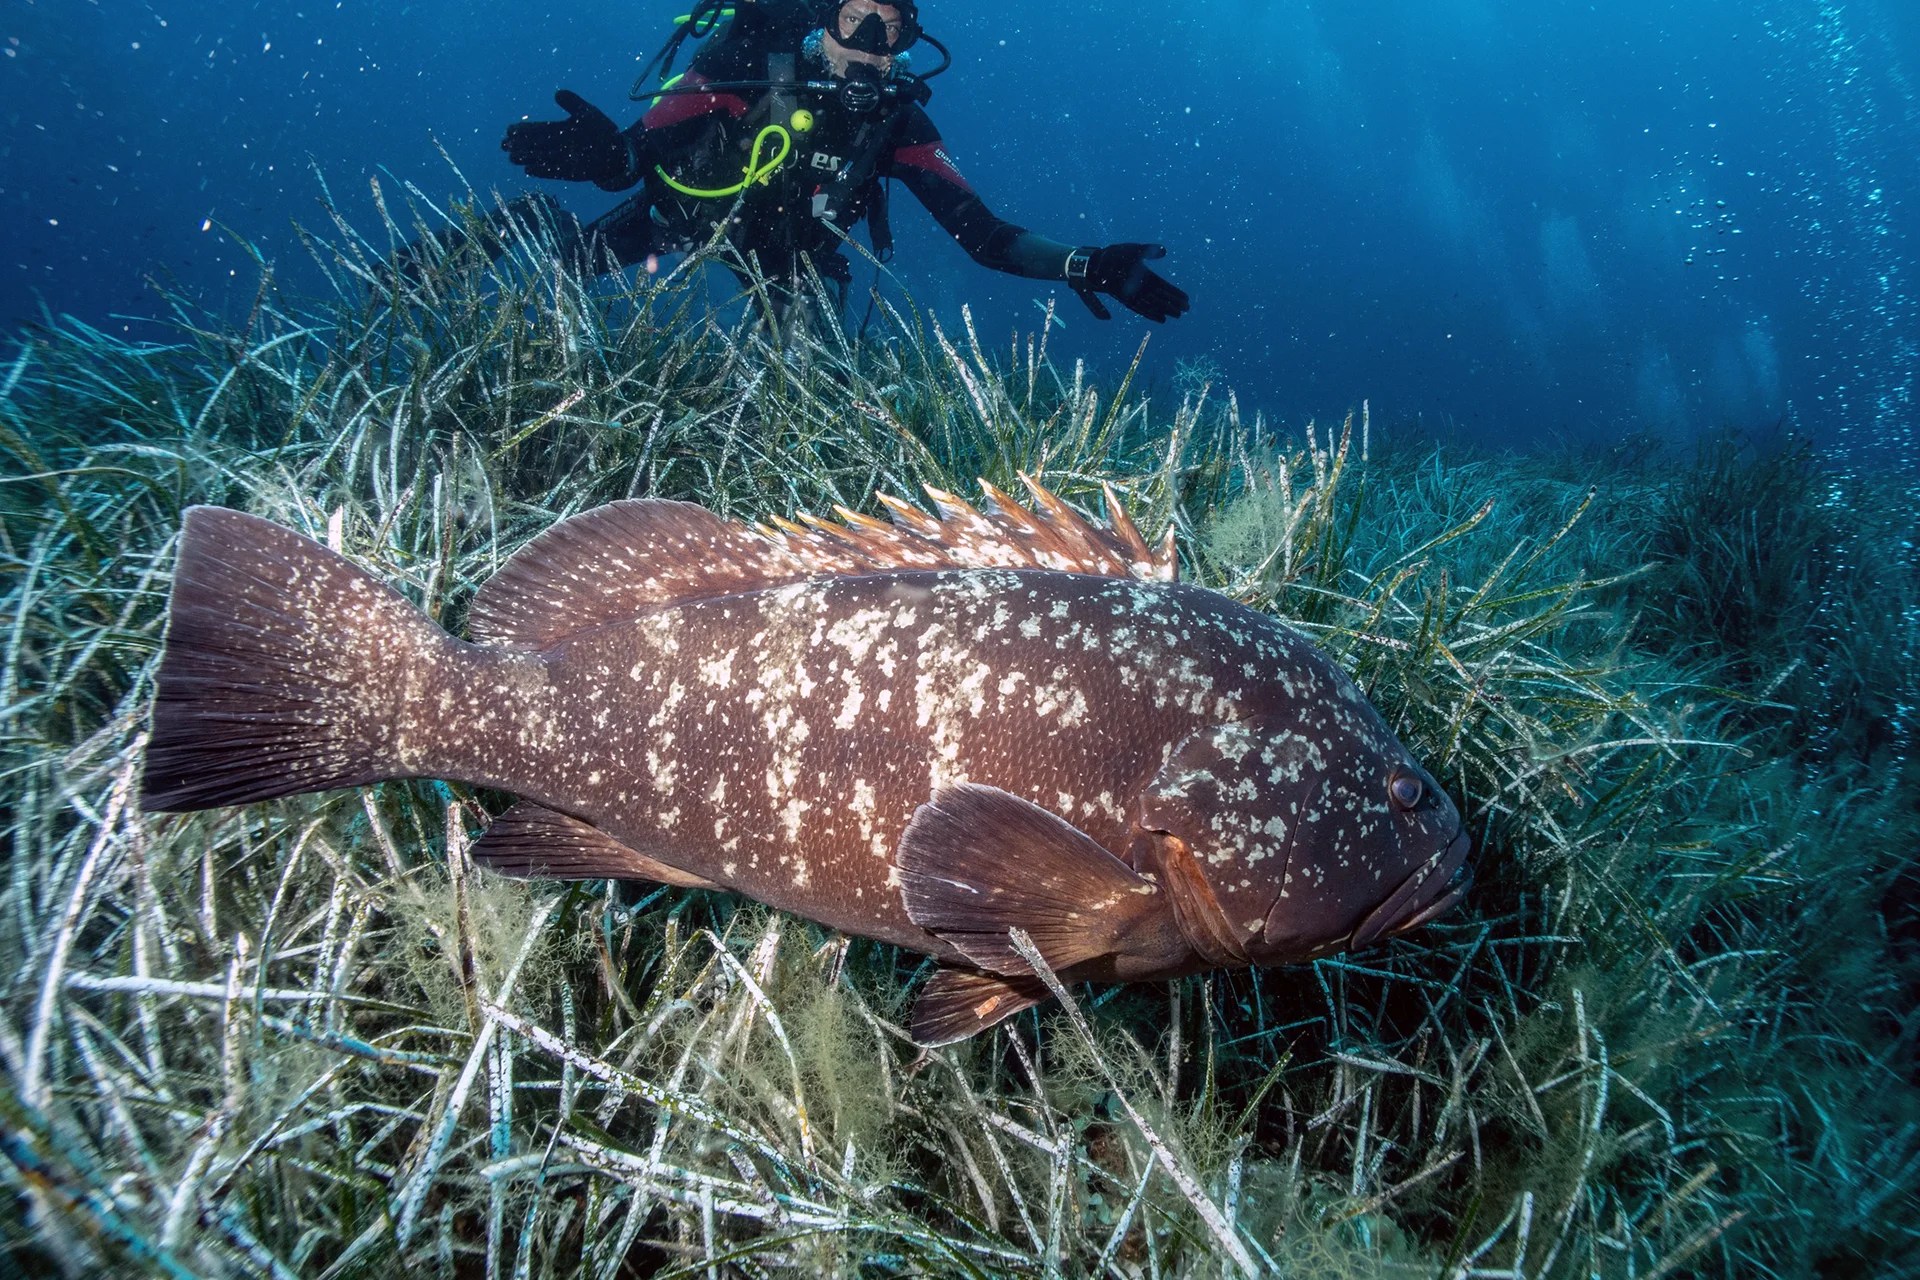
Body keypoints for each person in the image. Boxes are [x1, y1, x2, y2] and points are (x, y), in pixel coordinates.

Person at [498, 0, 1188, 325]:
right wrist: (600, 155)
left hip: (791, 261)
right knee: (549, 272)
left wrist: (1083, 262)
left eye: (887, 26)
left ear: (906, 41)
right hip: (677, 218)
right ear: (821, 21)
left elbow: (984, 236)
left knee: (816, 382)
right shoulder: (738, 71)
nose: (866, 41)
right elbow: (629, 159)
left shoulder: (898, 124)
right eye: (854, 17)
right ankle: (524, 221)